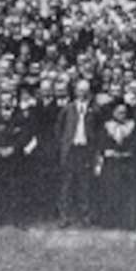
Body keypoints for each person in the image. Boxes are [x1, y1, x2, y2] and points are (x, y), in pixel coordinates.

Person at [56, 80, 97, 228]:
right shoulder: (68, 109)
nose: (82, 93)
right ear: (75, 92)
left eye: (85, 91)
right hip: (71, 150)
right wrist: (64, 144)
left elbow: (96, 131)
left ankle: (85, 215)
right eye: (80, 90)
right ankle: (64, 216)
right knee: (66, 184)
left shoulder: (93, 109)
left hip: (85, 150)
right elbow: (59, 128)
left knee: (84, 184)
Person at [96, 103, 136, 230]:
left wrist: (128, 152)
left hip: (127, 162)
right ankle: (109, 221)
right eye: (119, 112)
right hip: (111, 162)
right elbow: (101, 143)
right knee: (110, 191)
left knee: (127, 193)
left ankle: (127, 222)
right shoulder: (107, 126)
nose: (122, 115)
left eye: (124, 112)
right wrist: (106, 152)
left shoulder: (132, 125)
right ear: (113, 113)